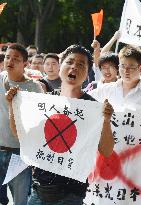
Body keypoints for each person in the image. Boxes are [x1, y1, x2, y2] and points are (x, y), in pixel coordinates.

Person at [6, 44, 114, 205]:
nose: (74, 67)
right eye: (70, 62)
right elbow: (21, 136)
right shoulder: (45, 101)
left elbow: (106, 150)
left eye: (81, 64)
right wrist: (11, 106)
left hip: (71, 194)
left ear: (87, 74)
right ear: (61, 66)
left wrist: (106, 121)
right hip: (39, 189)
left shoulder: (94, 109)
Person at [0, 43, 43, 205]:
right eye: (7, 57)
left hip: (20, 155)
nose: (9, 61)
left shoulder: (34, 88)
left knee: (20, 201)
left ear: (25, 64)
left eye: (16, 59)